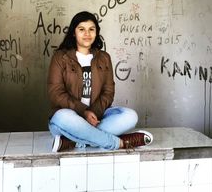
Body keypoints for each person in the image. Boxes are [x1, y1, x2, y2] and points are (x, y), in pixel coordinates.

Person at [47, 11, 153, 152]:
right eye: (81, 29)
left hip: (97, 118)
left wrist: (93, 113)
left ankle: (73, 141)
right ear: (74, 33)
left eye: (91, 29)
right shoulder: (60, 57)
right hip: (69, 119)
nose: (87, 33)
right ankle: (120, 143)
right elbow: (56, 93)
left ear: (96, 32)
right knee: (62, 117)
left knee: (130, 116)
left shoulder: (104, 57)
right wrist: (83, 112)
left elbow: (108, 92)